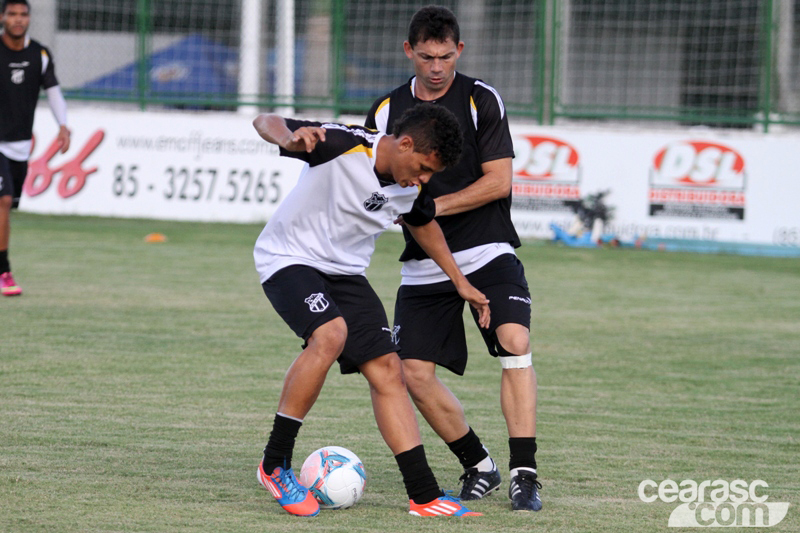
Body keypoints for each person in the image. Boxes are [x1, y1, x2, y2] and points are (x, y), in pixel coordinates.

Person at [252, 103, 488, 517]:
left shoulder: (409, 186)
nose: (424, 180)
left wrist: (460, 281)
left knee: (387, 369)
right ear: (405, 143)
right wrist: (289, 138)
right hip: (288, 258)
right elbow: (265, 121)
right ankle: (274, 464)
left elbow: (423, 222)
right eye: (423, 168)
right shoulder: (342, 144)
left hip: (346, 275)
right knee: (331, 334)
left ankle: (424, 494)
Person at [365, 5, 542, 512]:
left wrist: (429, 207)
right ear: (409, 52)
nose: (437, 67)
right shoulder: (385, 111)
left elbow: (499, 181)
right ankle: (479, 464)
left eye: (446, 56)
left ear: (459, 51)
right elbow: (370, 179)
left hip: (487, 248)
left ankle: (524, 472)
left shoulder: (480, 99)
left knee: (515, 340)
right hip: (423, 263)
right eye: (426, 57)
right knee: (411, 371)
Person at [0, 0, 70, 296]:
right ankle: (4, 272)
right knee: (2, 201)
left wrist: (63, 125)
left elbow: (53, 91)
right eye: (12, 14)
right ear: (2, 17)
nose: (18, 19)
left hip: (20, 145)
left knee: (9, 206)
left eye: (23, 14)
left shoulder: (39, 54)